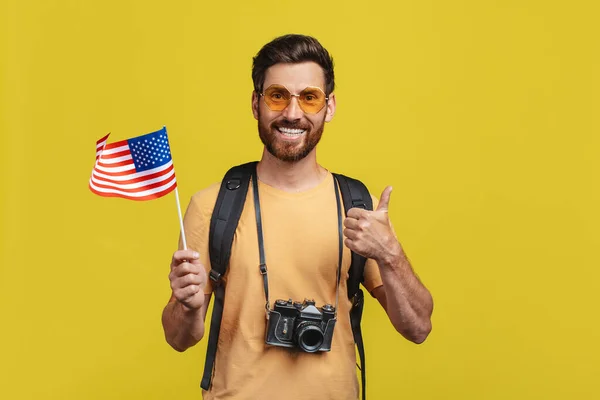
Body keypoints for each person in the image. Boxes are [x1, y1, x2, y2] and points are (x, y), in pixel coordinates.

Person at [161, 34, 434, 400]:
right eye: (277, 96)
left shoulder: (357, 205)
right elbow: (179, 339)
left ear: (329, 106)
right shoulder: (213, 205)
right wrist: (186, 304)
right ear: (256, 103)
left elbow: (418, 328)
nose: (292, 113)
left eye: (309, 97)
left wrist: (390, 254)